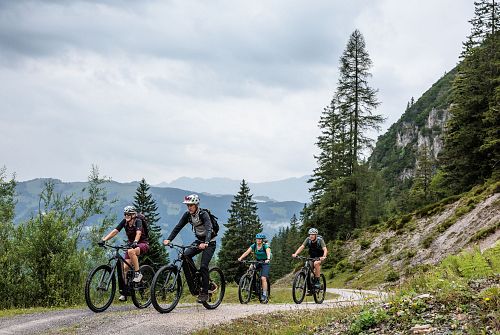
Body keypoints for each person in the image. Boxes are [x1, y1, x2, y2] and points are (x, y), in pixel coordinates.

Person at [163, 194, 216, 303]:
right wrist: (169, 239)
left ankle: (205, 292)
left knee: (203, 266)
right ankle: (196, 281)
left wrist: (206, 242)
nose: (189, 207)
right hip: (199, 241)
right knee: (185, 256)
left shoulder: (203, 214)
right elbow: (178, 227)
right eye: (188, 205)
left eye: (191, 205)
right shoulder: (187, 215)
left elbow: (209, 229)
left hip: (210, 242)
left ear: (196, 205)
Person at [99, 205, 149, 301]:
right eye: (125, 214)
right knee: (125, 268)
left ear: (133, 215)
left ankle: (138, 273)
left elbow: (138, 233)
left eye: (128, 214)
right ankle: (125, 292)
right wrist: (104, 239)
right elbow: (115, 231)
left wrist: (135, 242)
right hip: (131, 245)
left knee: (130, 251)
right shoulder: (125, 222)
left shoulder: (138, 221)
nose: (126, 216)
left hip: (142, 243)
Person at [238, 233, 271, 302]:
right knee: (250, 269)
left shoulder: (265, 246)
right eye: (257, 239)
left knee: (263, 278)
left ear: (262, 240)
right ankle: (250, 285)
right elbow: (247, 252)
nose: (258, 240)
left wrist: (268, 259)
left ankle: (264, 295)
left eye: (260, 239)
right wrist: (241, 258)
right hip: (257, 261)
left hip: (265, 262)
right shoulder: (254, 245)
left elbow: (268, 252)